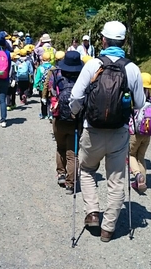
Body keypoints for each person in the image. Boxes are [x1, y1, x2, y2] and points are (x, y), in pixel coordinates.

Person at [68, 21, 146, 242]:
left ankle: (92, 212)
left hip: (91, 130)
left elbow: (75, 97)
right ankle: (108, 228)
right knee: (116, 179)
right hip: (119, 132)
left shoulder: (93, 65)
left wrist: (76, 113)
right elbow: (140, 104)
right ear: (124, 41)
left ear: (103, 40)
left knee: (86, 170)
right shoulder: (132, 68)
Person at [47, 51, 84, 194]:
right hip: (76, 119)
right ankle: (71, 184)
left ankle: (61, 174)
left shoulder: (56, 75)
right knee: (72, 153)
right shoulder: (82, 77)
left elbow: (52, 93)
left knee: (60, 147)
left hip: (59, 117)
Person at [129, 72, 151, 193]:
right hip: (147, 134)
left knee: (130, 154)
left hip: (135, 132)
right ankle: (142, 182)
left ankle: (137, 175)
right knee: (141, 157)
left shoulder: (135, 99)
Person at [41, 50, 65, 120]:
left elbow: (46, 83)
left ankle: (51, 116)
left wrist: (44, 96)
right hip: (64, 93)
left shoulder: (52, 69)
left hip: (53, 94)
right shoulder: (67, 69)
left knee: (52, 107)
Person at [34, 51, 53, 119]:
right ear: (50, 59)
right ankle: (50, 114)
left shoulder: (40, 68)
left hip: (42, 87)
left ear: (42, 59)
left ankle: (43, 114)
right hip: (51, 87)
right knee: (50, 101)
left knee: (43, 100)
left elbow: (37, 78)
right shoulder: (53, 67)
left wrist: (35, 86)